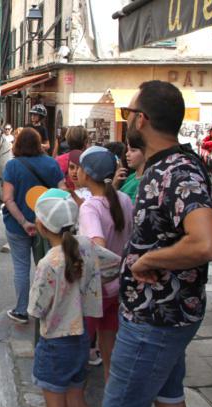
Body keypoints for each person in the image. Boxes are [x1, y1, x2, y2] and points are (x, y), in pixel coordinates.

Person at [103, 81, 212, 407]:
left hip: (152, 320)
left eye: (128, 114)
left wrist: (149, 260)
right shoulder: (173, 165)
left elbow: (208, 243)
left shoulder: (177, 172)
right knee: (170, 397)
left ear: (142, 119)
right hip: (168, 314)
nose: (127, 122)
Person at [28, 188, 120, 407]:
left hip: (55, 343)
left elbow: (35, 308)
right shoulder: (87, 247)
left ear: (42, 225)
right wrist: (92, 283)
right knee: (79, 406)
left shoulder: (49, 262)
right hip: (82, 339)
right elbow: (115, 265)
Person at [76, 146, 133, 386]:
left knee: (76, 360)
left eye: (79, 166)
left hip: (94, 293)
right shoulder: (124, 199)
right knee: (110, 355)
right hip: (117, 290)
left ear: (87, 174)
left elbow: (98, 249)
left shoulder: (90, 207)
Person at [3, 128, 65, 324]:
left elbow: (8, 199)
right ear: (39, 144)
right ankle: (45, 309)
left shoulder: (12, 166)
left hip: (17, 226)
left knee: (21, 269)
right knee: (45, 268)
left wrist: (24, 222)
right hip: (46, 227)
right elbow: (62, 193)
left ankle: (21, 310)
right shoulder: (51, 164)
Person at [112, 138, 145, 205]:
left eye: (133, 150)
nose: (127, 154)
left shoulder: (144, 182)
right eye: (127, 150)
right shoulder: (131, 177)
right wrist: (115, 185)